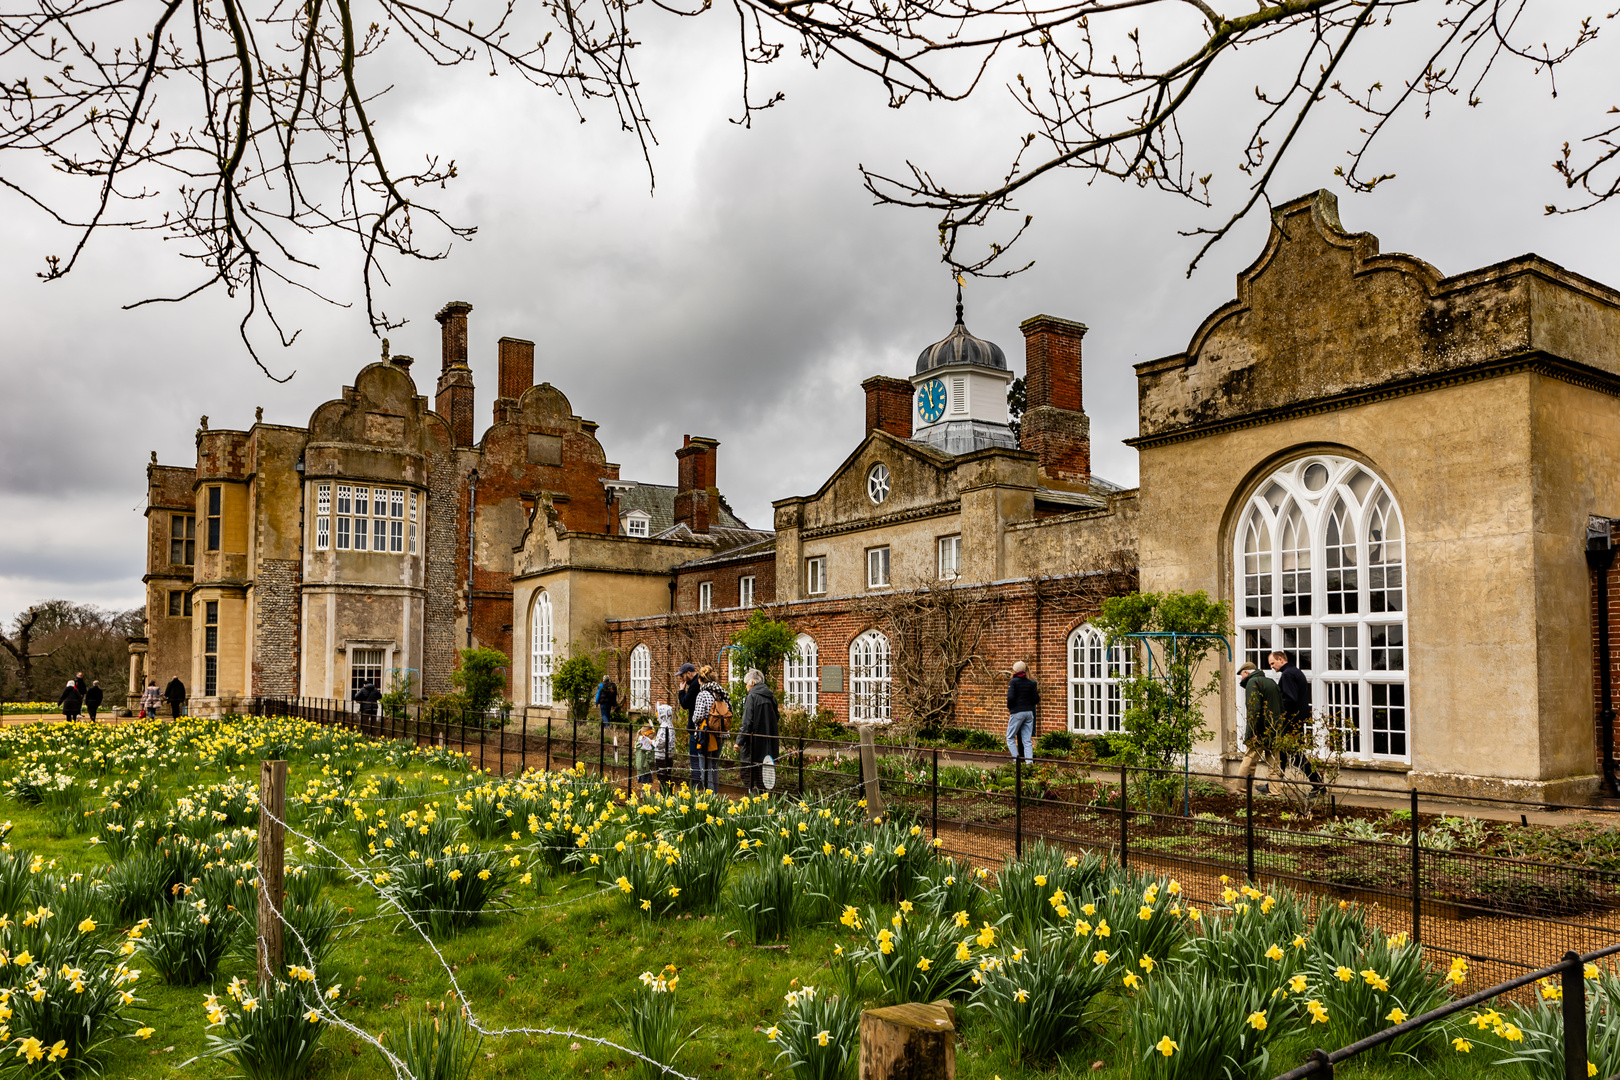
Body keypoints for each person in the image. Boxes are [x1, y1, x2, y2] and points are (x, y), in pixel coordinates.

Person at [1269, 650, 1324, 793]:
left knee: (1295, 755)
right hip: (1297, 719)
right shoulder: (1295, 672)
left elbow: (1289, 698)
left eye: (1273, 663)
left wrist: (1278, 712)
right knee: (1285, 754)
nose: (1272, 667)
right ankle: (1274, 786)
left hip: (1291, 721)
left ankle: (1318, 785)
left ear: (1281, 659)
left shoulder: (1287, 674)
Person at [1236, 662, 1284, 791]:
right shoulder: (1271, 682)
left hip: (1260, 730)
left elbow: (1254, 709)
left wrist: (1253, 731)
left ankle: (1242, 790)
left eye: (1241, 675)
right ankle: (1275, 792)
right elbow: (1281, 706)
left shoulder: (1253, 683)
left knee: (1249, 760)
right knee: (1274, 763)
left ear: (1246, 672)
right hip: (1274, 729)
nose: (1241, 679)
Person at [737, 669, 780, 795]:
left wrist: (739, 742)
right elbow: (776, 718)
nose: (746, 687)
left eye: (746, 684)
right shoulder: (771, 696)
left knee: (748, 775)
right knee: (764, 778)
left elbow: (747, 722)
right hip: (768, 744)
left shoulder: (752, 696)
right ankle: (762, 802)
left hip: (753, 745)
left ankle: (754, 802)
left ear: (752, 682)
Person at [690, 666, 731, 794]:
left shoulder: (703, 694)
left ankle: (710, 798)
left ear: (701, 680)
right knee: (714, 766)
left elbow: (697, 717)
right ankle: (716, 797)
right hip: (721, 735)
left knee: (705, 769)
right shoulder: (722, 693)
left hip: (706, 736)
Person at [1005, 660, 1038, 763]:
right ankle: (1029, 764)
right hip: (1029, 713)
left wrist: (1011, 709)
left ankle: (1017, 761)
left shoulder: (1013, 682)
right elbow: (1036, 699)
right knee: (1027, 740)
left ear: (1015, 671)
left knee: (1010, 738)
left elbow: (1010, 698)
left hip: (1017, 712)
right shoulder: (1030, 683)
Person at [676, 663, 701, 788]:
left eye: (682, 676)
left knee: (695, 759)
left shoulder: (695, 685)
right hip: (701, 728)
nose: (682, 679)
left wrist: (681, 690)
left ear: (689, 673)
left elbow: (685, 703)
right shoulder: (700, 683)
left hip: (695, 728)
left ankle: (696, 786)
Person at [653, 703, 678, 792]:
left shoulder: (664, 727)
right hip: (669, 756)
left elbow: (661, 742)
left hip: (662, 756)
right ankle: (668, 795)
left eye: (658, 714)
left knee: (662, 778)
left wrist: (652, 742)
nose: (657, 716)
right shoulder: (670, 725)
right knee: (667, 777)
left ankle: (664, 796)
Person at [634, 718, 657, 791]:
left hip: (641, 764)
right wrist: (652, 762)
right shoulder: (645, 743)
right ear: (648, 734)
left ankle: (646, 790)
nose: (653, 737)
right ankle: (644, 792)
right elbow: (649, 755)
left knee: (645, 778)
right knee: (645, 779)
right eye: (652, 735)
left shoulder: (640, 741)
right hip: (645, 764)